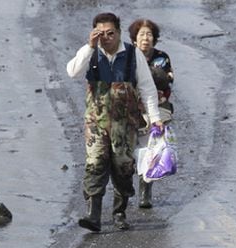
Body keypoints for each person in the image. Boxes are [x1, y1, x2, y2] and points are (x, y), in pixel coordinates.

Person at [66, 12, 163, 233]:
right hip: (96, 123)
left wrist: (155, 118)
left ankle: (119, 212)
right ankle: (93, 215)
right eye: (102, 34)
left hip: (125, 124)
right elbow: (72, 72)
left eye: (111, 33)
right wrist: (89, 46)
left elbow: (147, 88)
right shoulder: (90, 53)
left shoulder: (132, 54)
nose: (107, 38)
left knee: (123, 168)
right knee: (95, 164)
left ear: (119, 33)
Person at [129, 18, 174, 209]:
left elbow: (165, 83)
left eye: (149, 35)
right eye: (141, 35)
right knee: (128, 150)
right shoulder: (127, 57)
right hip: (131, 109)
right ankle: (123, 189)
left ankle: (145, 191)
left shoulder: (162, 58)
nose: (145, 39)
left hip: (157, 109)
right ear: (134, 39)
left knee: (150, 149)